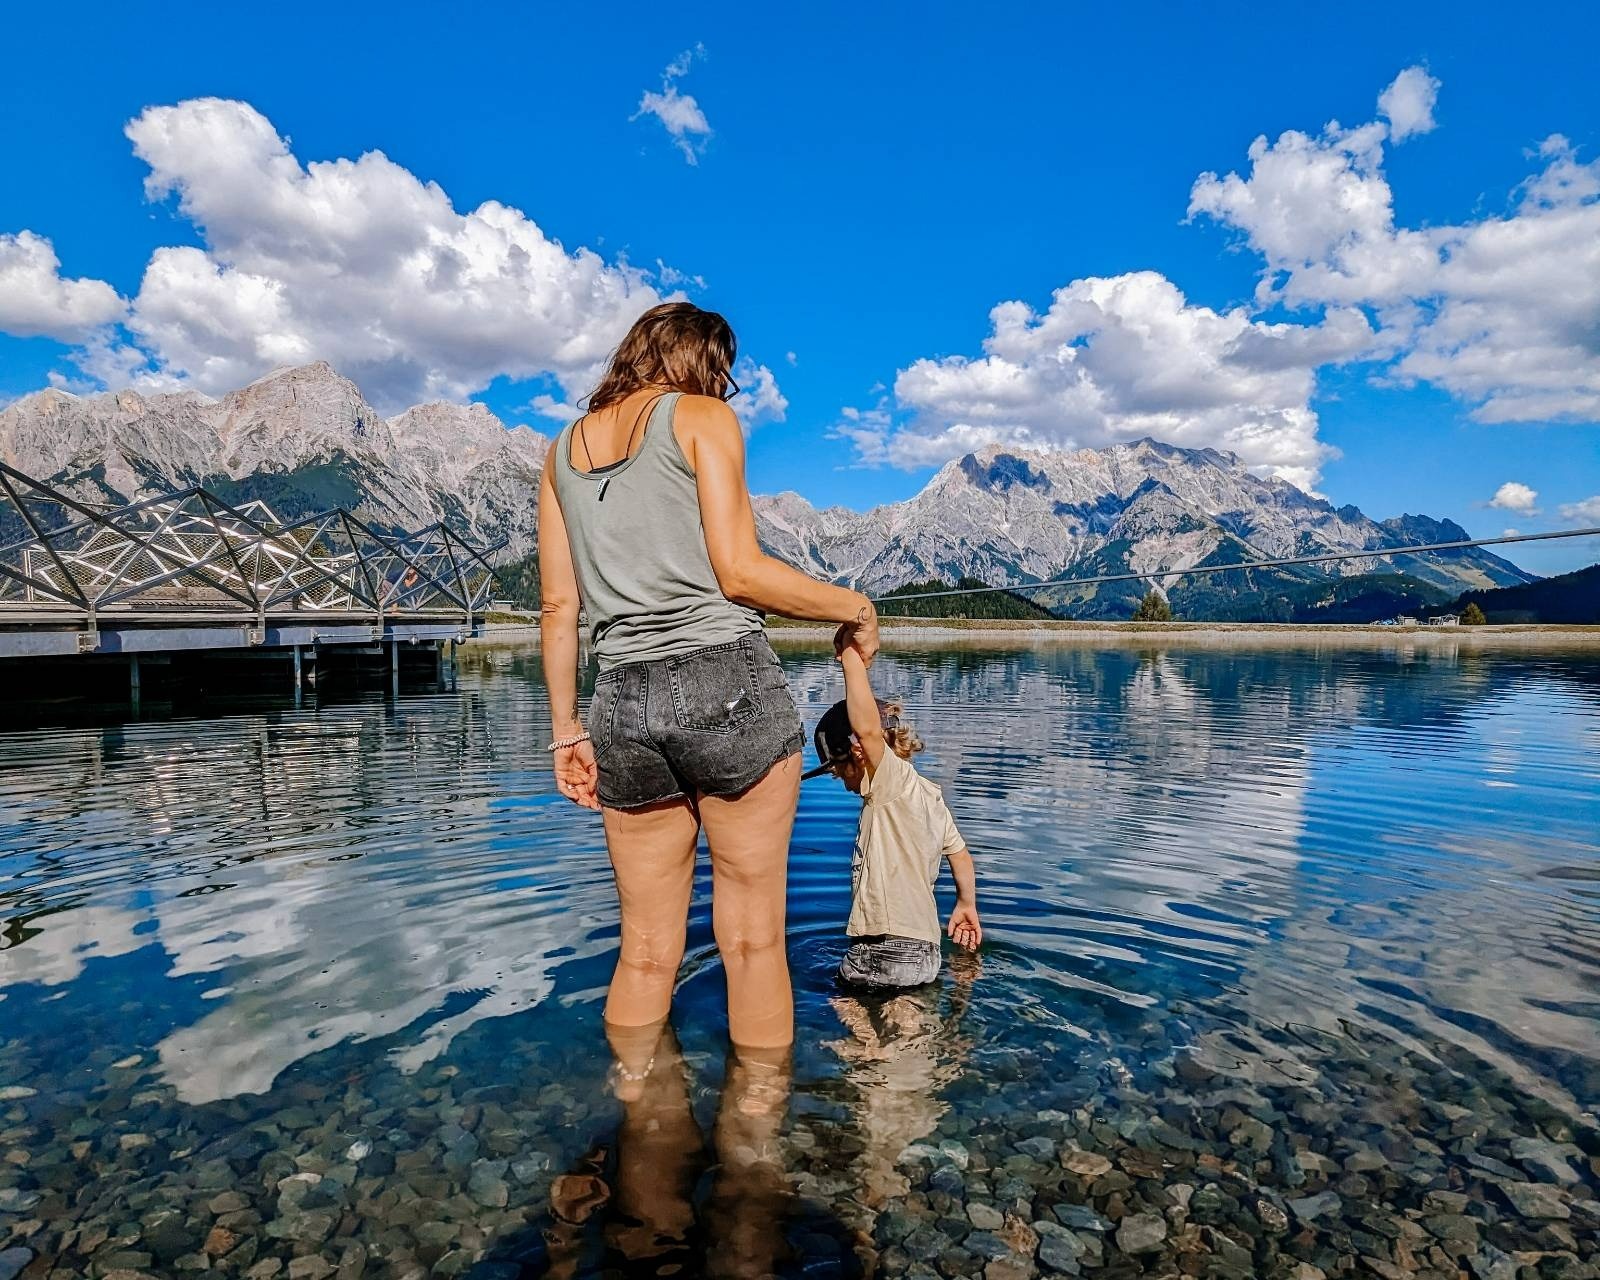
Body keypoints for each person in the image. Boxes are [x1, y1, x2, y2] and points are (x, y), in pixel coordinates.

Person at [538, 301, 880, 1050]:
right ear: (698, 361)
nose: (723, 386)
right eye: (718, 370)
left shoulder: (560, 451)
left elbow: (559, 605)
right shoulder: (700, 418)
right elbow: (740, 572)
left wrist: (567, 730)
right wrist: (853, 606)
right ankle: (755, 1142)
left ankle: (640, 1109)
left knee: (647, 950)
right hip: (727, 684)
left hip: (620, 703)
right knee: (753, 944)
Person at [807, 642, 981, 989]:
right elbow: (959, 854)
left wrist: (852, 660)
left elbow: (869, 730)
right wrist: (966, 904)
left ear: (858, 754)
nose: (841, 783)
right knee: (904, 1030)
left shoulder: (888, 781)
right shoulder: (930, 796)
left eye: (837, 772)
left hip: (884, 947)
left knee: (848, 1019)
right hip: (925, 951)